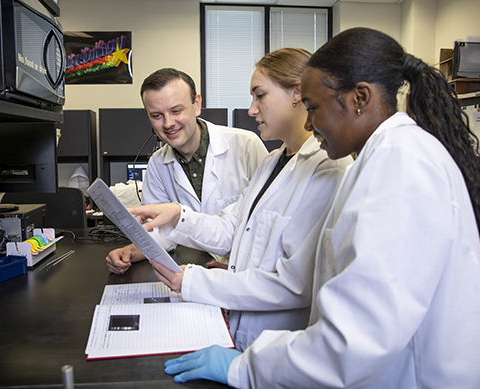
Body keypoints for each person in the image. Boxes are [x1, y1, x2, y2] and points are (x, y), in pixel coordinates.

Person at [159, 28, 480, 388]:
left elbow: (355, 341)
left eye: (313, 108)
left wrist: (245, 369)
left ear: (360, 97)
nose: (309, 123)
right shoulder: (385, 158)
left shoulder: (399, 164)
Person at [129, 47, 352, 351]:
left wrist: (192, 282)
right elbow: (231, 230)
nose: (251, 109)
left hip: (277, 344)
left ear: (297, 94)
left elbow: (294, 285)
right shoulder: (273, 162)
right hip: (240, 325)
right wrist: (178, 215)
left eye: (260, 95)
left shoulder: (327, 168)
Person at [105, 68, 268, 273]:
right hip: (196, 270)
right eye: (157, 115)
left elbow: (266, 224)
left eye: (176, 111)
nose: (168, 123)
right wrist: (129, 252)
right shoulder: (157, 163)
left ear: (196, 104)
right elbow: (161, 232)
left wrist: (239, 268)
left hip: (246, 273)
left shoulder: (246, 146)